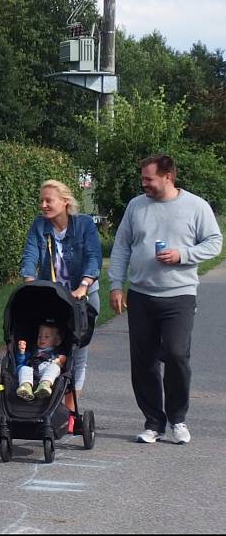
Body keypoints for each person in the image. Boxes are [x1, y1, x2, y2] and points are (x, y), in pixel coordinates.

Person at [108, 154, 222, 445]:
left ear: (167, 177)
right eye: (142, 178)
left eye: (149, 179)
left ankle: (178, 418)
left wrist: (182, 256)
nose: (143, 183)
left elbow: (214, 242)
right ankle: (153, 422)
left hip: (179, 294)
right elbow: (121, 246)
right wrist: (116, 286)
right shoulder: (136, 206)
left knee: (176, 354)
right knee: (143, 361)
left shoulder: (195, 206)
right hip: (141, 294)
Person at [20, 180, 102, 414]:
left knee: (76, 353)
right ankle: (47, 401)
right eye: (41, 201)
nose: (43, 205)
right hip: (52, 298)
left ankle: (70, 410)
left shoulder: (84, 225)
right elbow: (30, 254)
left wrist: (84, 285)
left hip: (81, 297)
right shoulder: (39, 226)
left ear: (65, 202)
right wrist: (29, 283)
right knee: (47, 347)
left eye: (49, 200)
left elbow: (93, 257)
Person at [15, 322, 66, 401]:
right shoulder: (32, 351)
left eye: (47, 337)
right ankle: (25, 387)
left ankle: (45, 385)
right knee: (24, 368)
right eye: (39, 336)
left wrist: (61, 360)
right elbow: (21, 362)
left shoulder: (55, 353)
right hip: (31, 371)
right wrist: (21, 352)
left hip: (46, 372)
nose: (42, 339)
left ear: (56, 341)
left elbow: (61, 364)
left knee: (55, 367)